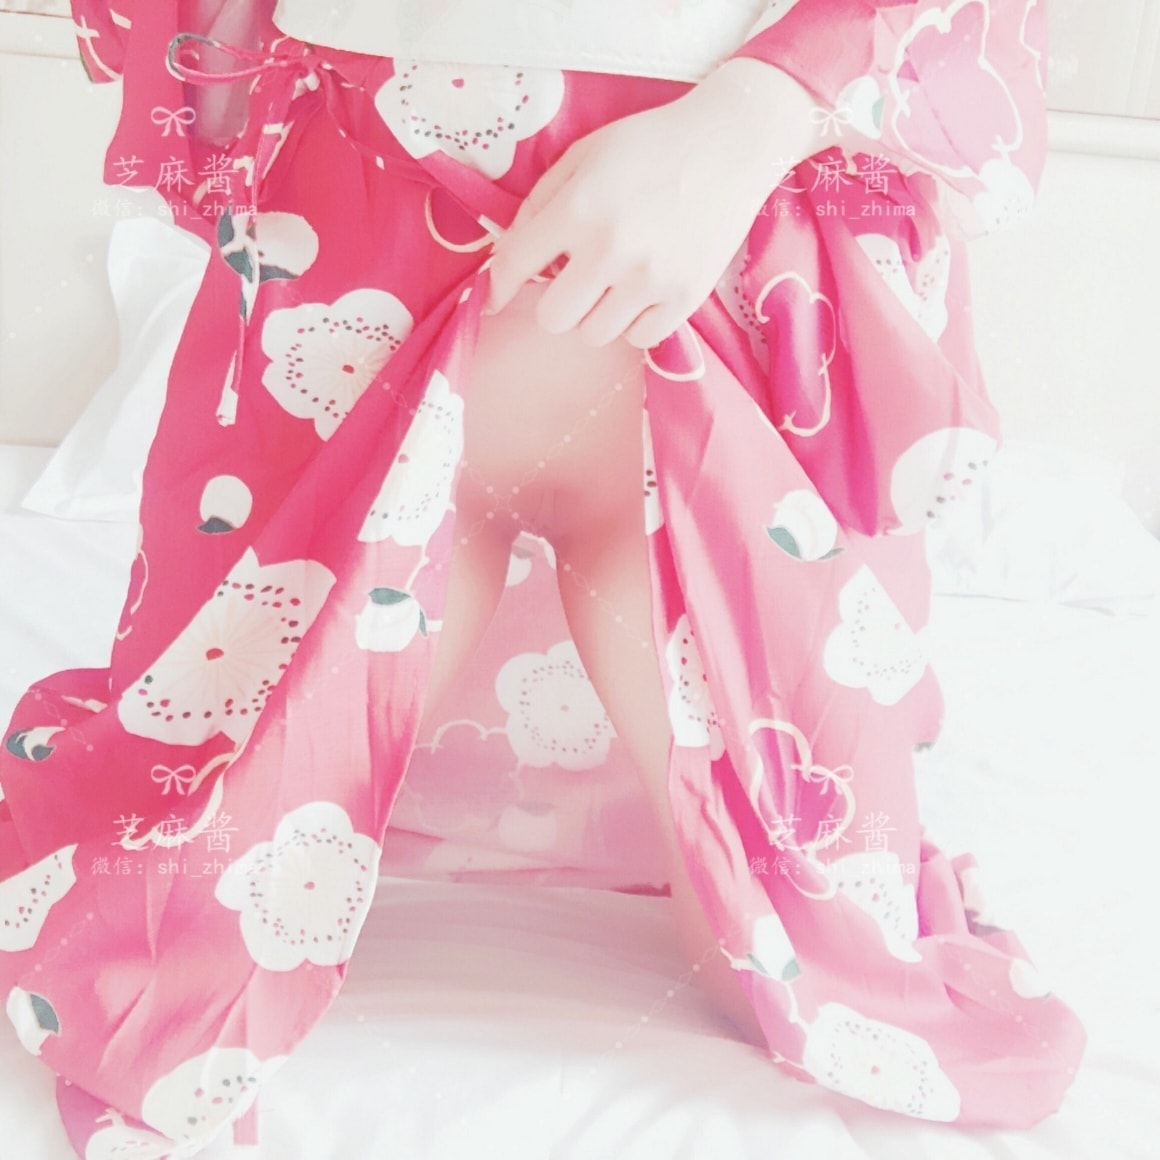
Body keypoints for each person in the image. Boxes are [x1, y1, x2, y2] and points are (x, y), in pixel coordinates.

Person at [0, 1, 1085, 1154]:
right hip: (364, 217)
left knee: (817, 951)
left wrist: (760, 107)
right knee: (172, 916)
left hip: (729, 228)